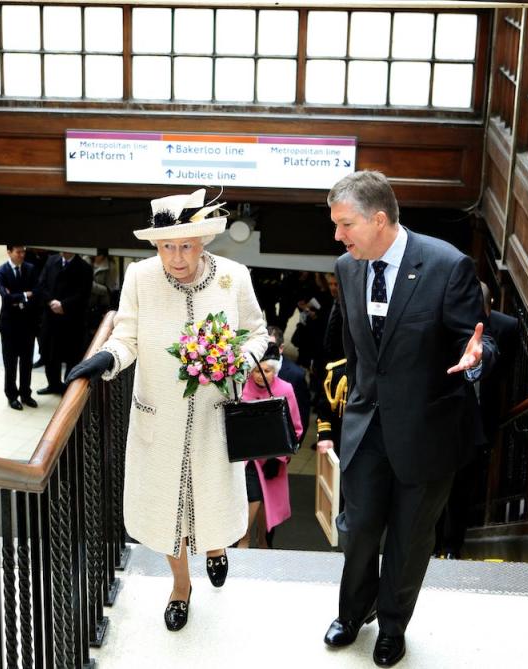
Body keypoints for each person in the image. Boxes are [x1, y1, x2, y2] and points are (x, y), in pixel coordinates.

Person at [62, 188, 269, 632]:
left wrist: (237, 360)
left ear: (203, 242)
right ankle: (180, 586)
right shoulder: (140, 278)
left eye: (186, 245)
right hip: (160, 417)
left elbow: (258, 333)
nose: (177, 257)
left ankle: (215, 547)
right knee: (167, 507)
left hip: (214, 417)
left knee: (210, 497)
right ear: (156, 245)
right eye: (168, 246)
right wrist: (106, 359)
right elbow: (128, 336)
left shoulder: (234, 276)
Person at [320, 170, 496, 667]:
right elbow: (356, 353)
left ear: (379, 220)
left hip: (427, 434)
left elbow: (479, 340)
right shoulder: (347, 267)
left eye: (346, 224)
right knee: (358, 531)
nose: (338, 235)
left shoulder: (447, 265)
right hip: (365, 429)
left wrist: (477, 359)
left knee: (409, 538)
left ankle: (393, 626)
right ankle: (353, 613)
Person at [435, 282, 521, 558]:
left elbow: (505, 374)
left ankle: (451, 548)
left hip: (479, 423)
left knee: (463, 489)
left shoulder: (507, 328)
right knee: (436, 485)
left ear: (489, 307)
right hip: (444, 420)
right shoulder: (443, 324)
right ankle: (432, 544)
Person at [237, 343, 303, 549]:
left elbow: (296, 429)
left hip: (272, 462)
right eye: (256, 370)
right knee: (251, 503)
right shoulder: (240, 387)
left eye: (266, 371)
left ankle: (264, 552)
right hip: (245, 462)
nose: (260, 376)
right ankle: (242, 545)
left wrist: (280, 457)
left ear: (274, 370)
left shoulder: (285, 389)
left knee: (266, 526)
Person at [35, 251, 93, 395]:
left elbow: (83, 294)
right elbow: (41, 285)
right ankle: (53, 385)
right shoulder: (51, 261)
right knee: (50, 355)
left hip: (71, 320)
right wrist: (51, 302)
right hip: (51, 318)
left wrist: (64, 305)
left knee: (72, 356)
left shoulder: (84, 267)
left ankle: (68, 389)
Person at [0, 245, 39, 411]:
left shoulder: (30, 269)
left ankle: (26, 393)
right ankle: (12, 395)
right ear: (9, 252)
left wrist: (17, 297)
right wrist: (25, 295)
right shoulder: (0, 271)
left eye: (23, 252)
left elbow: (37, 292)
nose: (22, 255)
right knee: (10, 363)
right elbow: (6, 298)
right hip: (9, 326)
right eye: (18, 252)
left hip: (27, 324)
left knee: (27, 362)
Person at [266, 325, 310, 439]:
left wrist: (295, 442)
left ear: (281, 348)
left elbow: (302, 412)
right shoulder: (251, 369)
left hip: (281, 438)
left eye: (270, 346)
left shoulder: (296, 375)